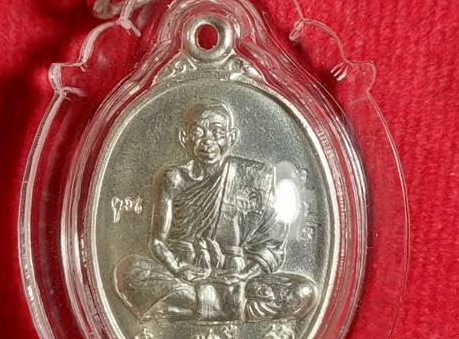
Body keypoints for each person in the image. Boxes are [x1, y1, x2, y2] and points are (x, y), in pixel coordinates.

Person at [115, 101, 316, 321]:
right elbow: (157, 242)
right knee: (129, 272)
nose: (208, 141)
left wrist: (243, 274)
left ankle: (190, 305)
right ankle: (231, 307)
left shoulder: (255, 176)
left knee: (302, 292)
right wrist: (179, 268)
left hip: (235, 276)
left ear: (232, 137)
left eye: (218, 132)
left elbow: (272, 245)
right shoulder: (173, 179)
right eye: (198, 133)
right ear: (184, 137)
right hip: (185, 273)